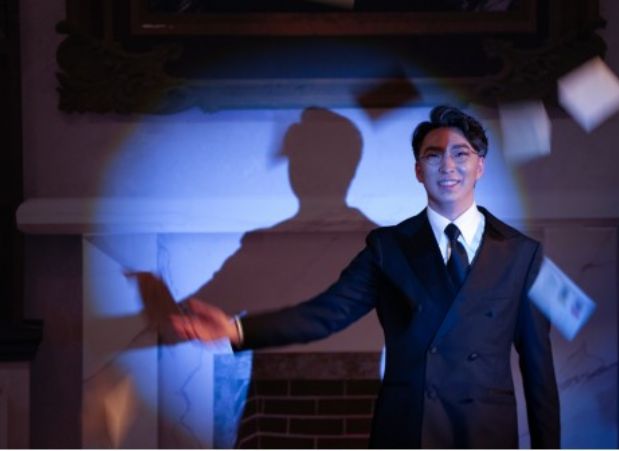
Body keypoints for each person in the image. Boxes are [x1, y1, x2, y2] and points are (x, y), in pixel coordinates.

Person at [171, 105, 560, 448]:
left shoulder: (523, 254)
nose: (447, 165)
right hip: (408, 431)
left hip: (485, 434)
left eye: (461, 153)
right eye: (433, 154)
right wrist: (236, 330)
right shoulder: (388, 248)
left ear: (480, 166)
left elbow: (539, 369)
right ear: (418, 170)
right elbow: (326, 313)